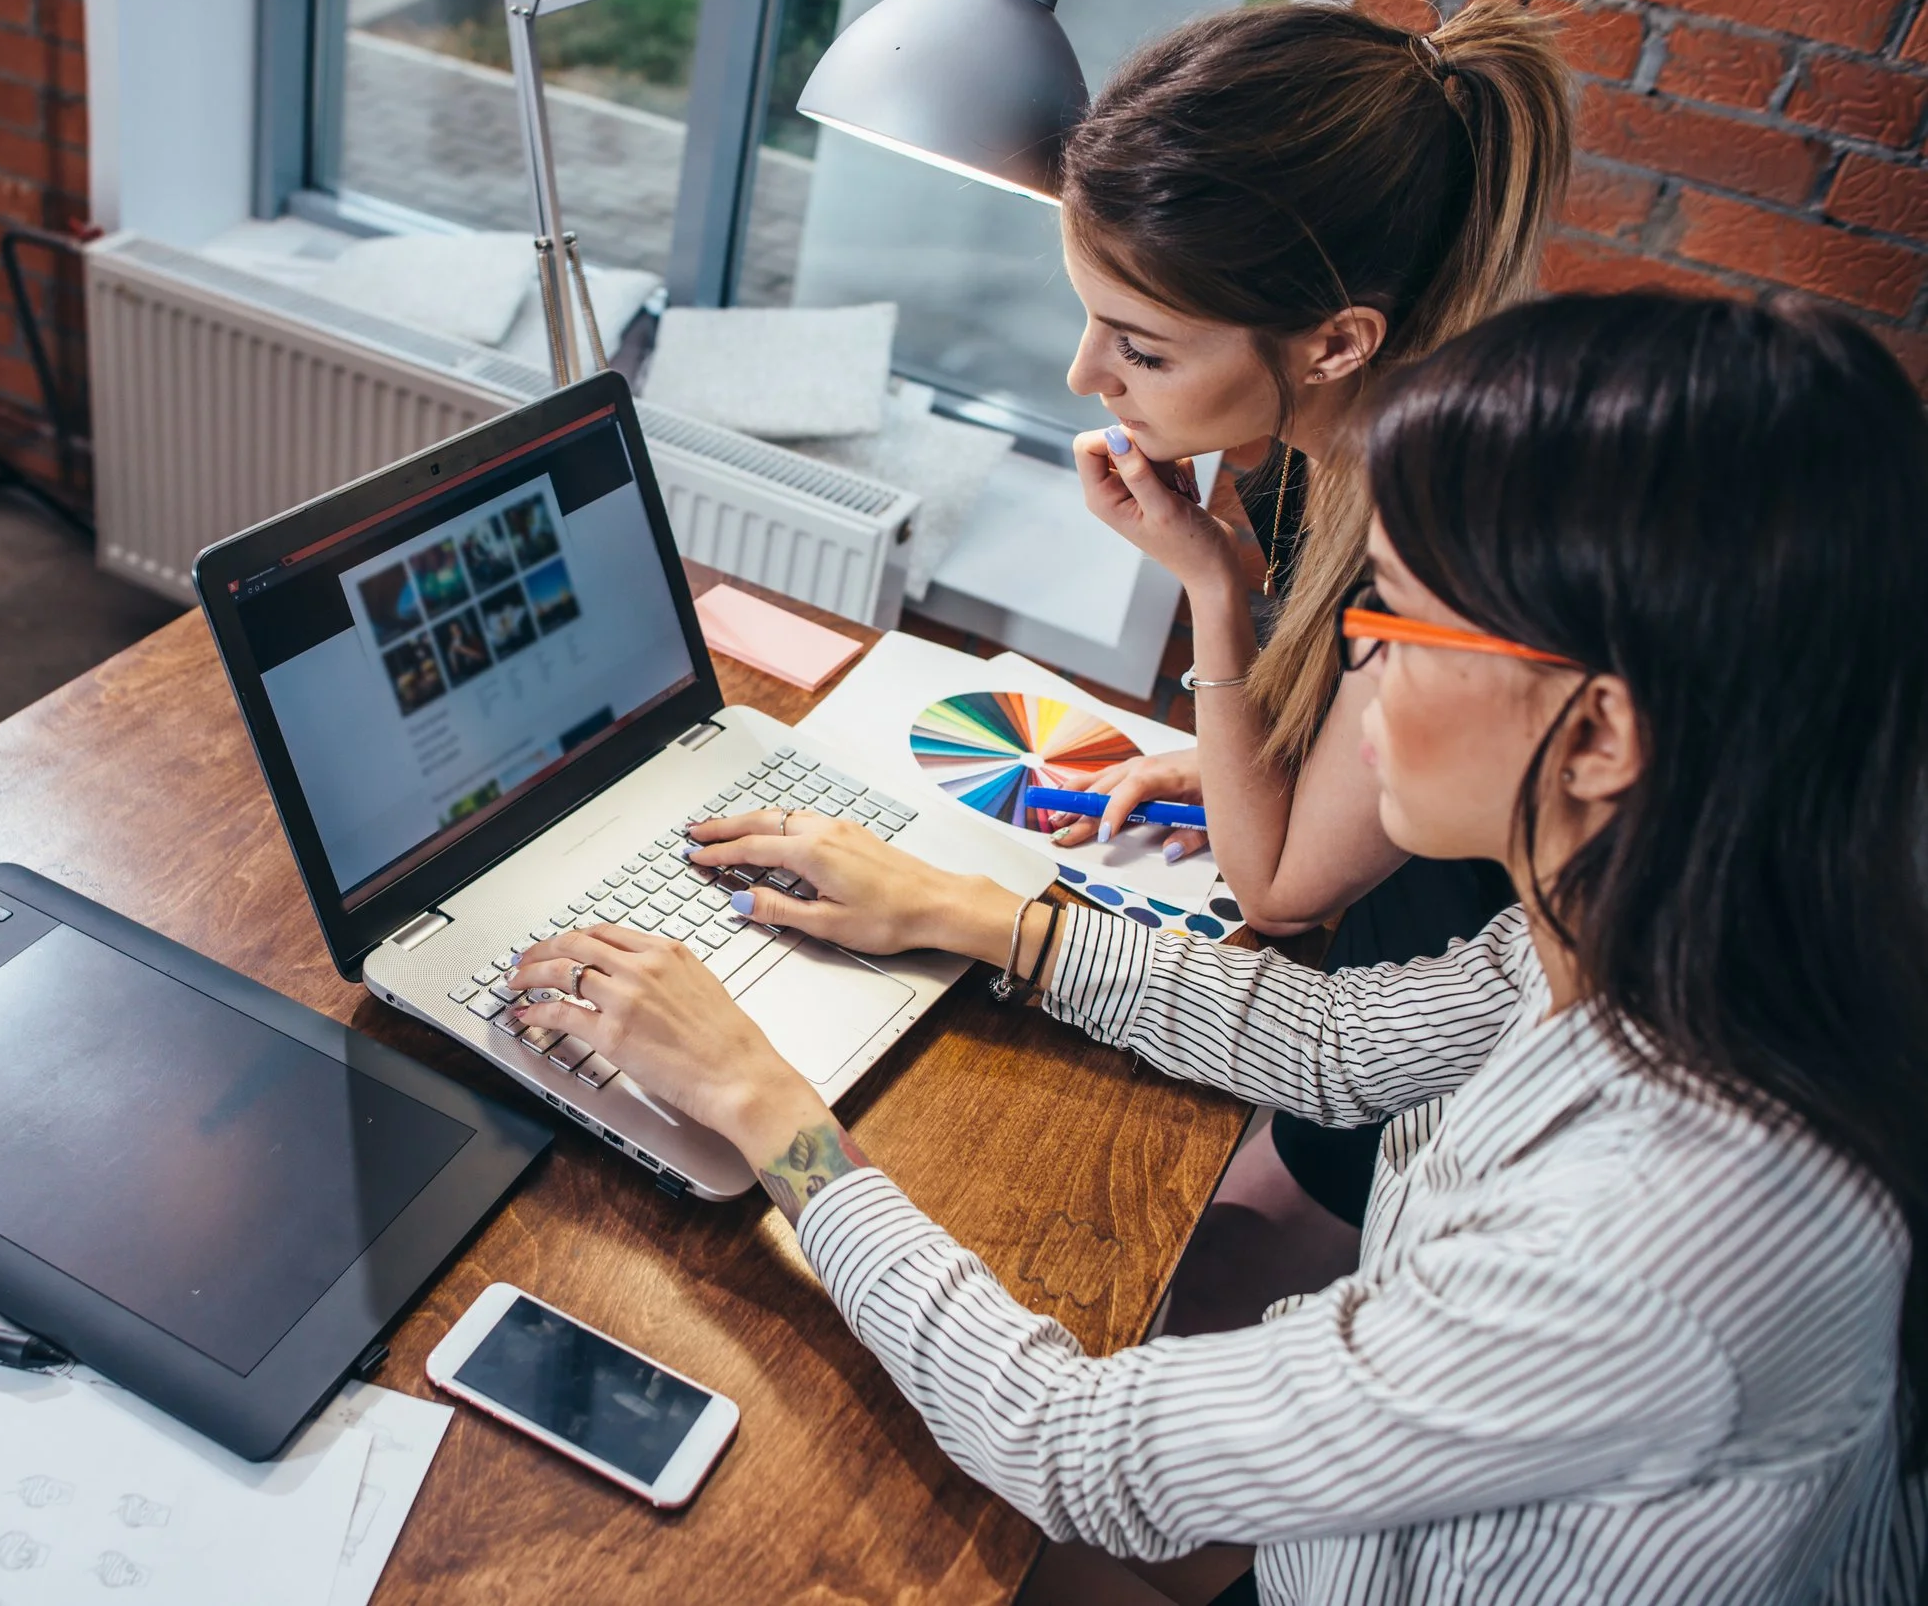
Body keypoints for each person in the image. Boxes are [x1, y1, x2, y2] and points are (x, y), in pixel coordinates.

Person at [504, 294, 1928, 1601]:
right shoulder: (1645, 926)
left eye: (1396, 622)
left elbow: (1076, 1446)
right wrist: (972, 914)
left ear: (1603, 735)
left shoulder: (1659, 1246)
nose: (1355, 668)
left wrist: (767, 1108)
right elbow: (1343, 1045)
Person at [1041, 0, 1574, 1261]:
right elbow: (1330, 739)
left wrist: (1212, 590)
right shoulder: (1313, 444)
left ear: (1337, 342)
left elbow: (1277, 888)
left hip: (1420, 1092)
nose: (1085, 379)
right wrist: (1254, 748)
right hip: (1375, 1026)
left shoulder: (1445, 541)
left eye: (1142, 349)